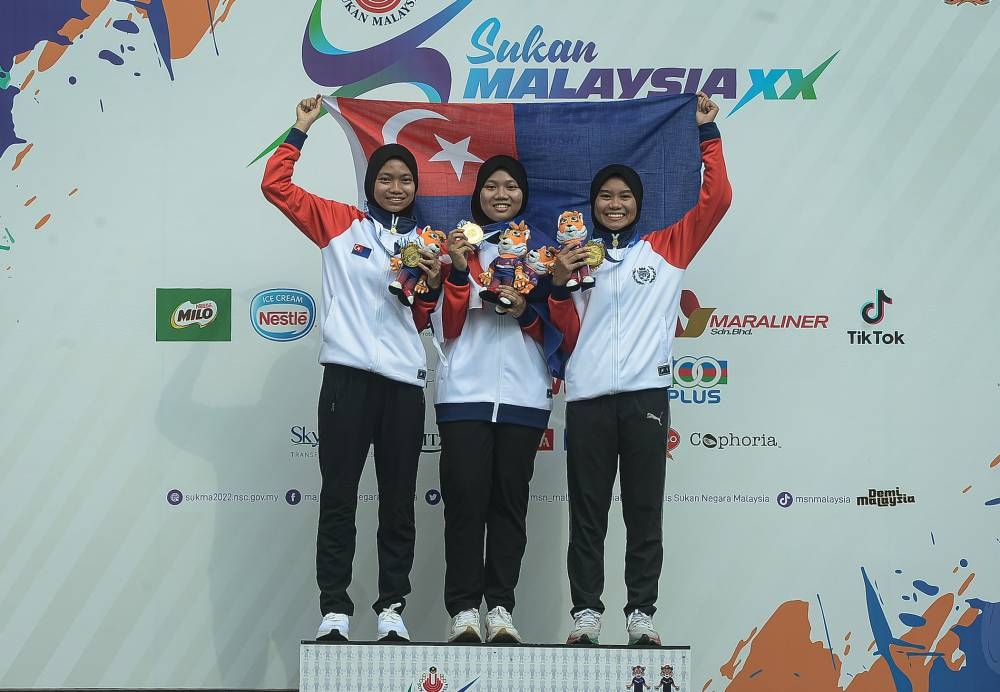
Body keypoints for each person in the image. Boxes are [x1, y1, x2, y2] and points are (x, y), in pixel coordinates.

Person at [549, 92, 732, 646]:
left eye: (624, 196)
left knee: (644, 509)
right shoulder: (572, 256)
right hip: (587, 399)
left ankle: (640, 614)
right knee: (587, 513)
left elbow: (717, 199)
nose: (614, 204)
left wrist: (707, 135)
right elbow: (565, 330)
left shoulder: (666, 247)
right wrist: (558, 283)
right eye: (605, 196)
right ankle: (586, 614)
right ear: (592, 205)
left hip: (645, 397)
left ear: (638, 203)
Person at [261, 95, 441, 643]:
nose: (395, 188)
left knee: (398, 501)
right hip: (346, 380)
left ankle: (392, 609)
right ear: (370, 184)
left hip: (403, 387)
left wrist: (432, 286)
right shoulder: (341, 224)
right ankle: (335, 609)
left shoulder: (428, 245)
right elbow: (276, 187)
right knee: (339, 495)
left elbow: (425, 319)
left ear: (416, 188)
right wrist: (300, 129)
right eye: (385, 179)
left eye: (404, 180)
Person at [429, 155, 556, 644]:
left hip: (524, 396)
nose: (501, 195)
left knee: (509, 505)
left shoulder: (542, 254)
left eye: (511, 186)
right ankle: (463, 610)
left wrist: (524, 309)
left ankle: (501, 608)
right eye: (491, 186)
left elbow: (558, 331)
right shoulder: (456, 249)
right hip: (464, 394)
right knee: (464, 503)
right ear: (477, 193)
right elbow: (445, 325)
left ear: (524, 194)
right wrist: (460, 271)